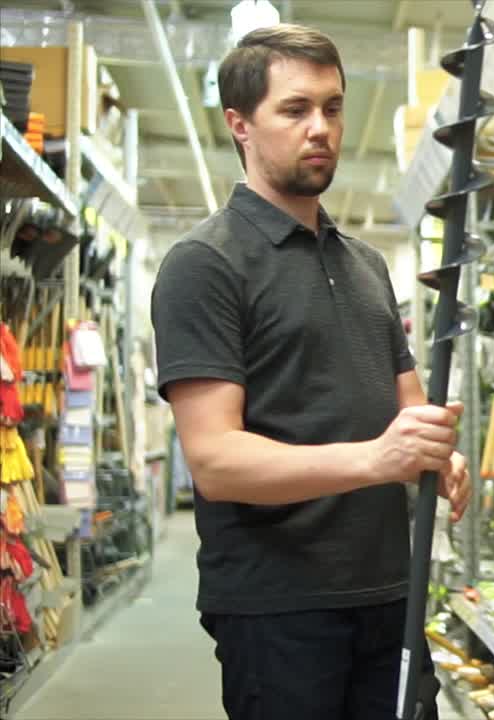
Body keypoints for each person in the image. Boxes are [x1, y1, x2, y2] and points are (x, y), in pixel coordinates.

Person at [151, 24, 469, 720]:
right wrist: (378, 459)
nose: (320, 127)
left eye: (332, 107)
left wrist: (437, 453)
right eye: (295, 109)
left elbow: (407, 409)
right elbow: (215, 461)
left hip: (390, 593)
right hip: (279, 607)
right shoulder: (205, 265)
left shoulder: (366, 265)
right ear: (240, 124)